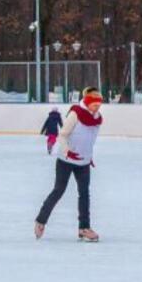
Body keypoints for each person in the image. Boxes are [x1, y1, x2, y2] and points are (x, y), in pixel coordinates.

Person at [35, 88, 103, 242]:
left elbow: (89, 140)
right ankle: (40, 220)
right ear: (87, 103)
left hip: (83, 162)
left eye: (99, 105)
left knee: (84, 194)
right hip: (65, 160)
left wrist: (88, 156)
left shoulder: (97, 118)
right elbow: (63, 135)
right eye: (94, 105)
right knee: (59, 190)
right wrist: (67, 152)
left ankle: (84, 228)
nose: (97, 108)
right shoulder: (75, 114)